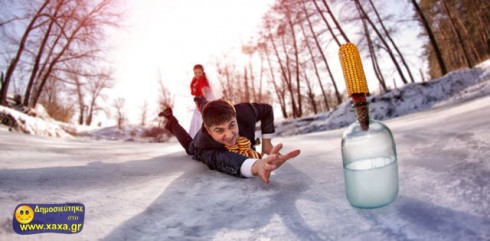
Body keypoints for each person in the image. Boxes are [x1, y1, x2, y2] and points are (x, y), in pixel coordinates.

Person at [159, 97, 301, 184]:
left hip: (213, 110)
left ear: (235, 117)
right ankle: (171, 120)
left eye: (232, 125)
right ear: (209, 131)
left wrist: (266, 142)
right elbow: (224, 160)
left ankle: (200, 100)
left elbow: (267, 109)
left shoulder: (245, 112)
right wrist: (256, 166)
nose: (229, 135)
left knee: (209, 105)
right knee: (188, 146)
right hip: (196, 143)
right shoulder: (204, 146)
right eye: (220, 130)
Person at [189, 64, 216, 138]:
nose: (197, 74)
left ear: (202, 72)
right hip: (198, 101)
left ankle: (203, 135)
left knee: (201, 117)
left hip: (202, 101)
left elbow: (205, 92)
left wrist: (202, 98)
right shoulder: (195, 80)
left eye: (199, 72)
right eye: (195, 73)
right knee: (197, 118)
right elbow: (193, 91)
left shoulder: (202, 80)